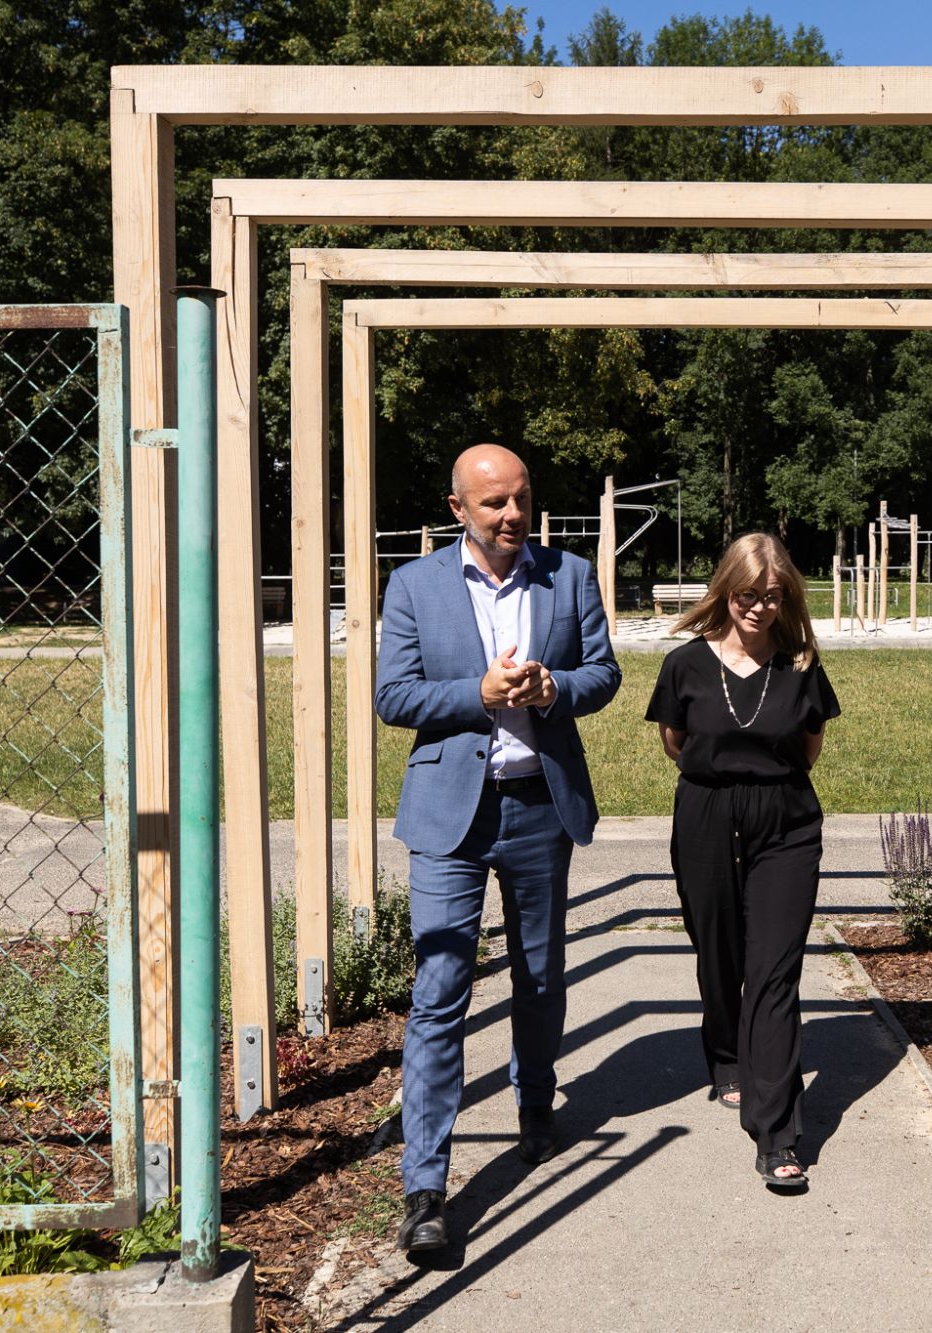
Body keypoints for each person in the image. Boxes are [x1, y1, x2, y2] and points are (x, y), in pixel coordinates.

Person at [376, 443, 622, 1252]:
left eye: (520, 500)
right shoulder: (414, 585)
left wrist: (557, 688)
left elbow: (605, 673)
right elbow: (394, 695)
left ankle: (535, 1102)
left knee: (540, 973)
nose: (512, 515)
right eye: (494, 504)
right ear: (458, 510)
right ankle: (424, 1184)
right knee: (441, 985)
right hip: (451, 815)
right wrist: (475, 694)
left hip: (538, 807)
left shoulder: (570, 576)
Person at [645, 532, 839, 1191]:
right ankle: (726, 1055)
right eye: (749, 595)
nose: (759, 608)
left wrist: (761, 781)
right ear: (726, 591)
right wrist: (722, 777)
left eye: (773, 596)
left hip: (786, 822)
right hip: (705, 815)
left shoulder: (802, 664)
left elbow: (808, 749)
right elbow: (677, 741)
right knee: (720, 952)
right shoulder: (685, 665)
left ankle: (778, 1130)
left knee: (775, 973)